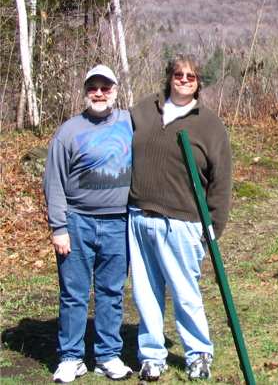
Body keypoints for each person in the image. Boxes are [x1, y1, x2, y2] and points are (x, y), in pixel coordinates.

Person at [128, 55, 232, 381]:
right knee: (145, 293)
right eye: (178, 74)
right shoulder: (143, 111)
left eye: (191, 76)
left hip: (183, 223)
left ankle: (199, 353)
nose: (184, 79)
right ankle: (152, 356)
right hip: (140, 217)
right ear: (169, 76)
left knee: (186, 293)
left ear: (199, 82)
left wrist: (213, 225)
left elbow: (221, 180)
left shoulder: (209, 125)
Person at [44, 65, 133, 383]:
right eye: (93, 87)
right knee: (74, 293)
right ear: (85, 92)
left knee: (111, 292)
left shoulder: (130, 124)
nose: (99, 93)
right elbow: (53, 181)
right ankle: (71, 357)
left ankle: (108, 355)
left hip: (119, 223)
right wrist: (59, 227)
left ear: (115, 90)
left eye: (105, 87)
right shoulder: (68, 131)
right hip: (77, 222)